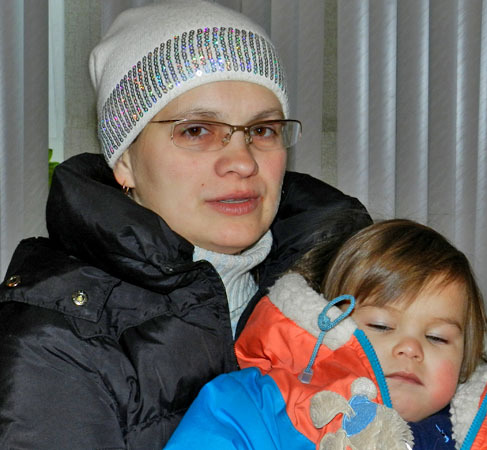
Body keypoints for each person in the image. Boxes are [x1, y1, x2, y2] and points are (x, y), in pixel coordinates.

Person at [0, 2, 371, 449]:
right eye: (196, 130)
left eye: (262, 130)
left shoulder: (352, 288)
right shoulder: (57, 339)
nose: (242, 161)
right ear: (125, 161)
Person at [165, 219, 487, 449]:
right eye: (382, 327)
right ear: (330, 326)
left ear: (467, 357)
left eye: (438, 338)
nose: (410, 348)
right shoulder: (257, 406)